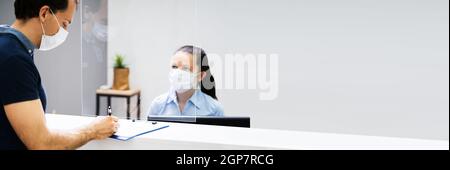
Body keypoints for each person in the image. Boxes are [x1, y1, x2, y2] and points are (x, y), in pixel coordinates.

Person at [0, 0, 118, 150]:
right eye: (65, 24)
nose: (65, 31)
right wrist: (93, 130)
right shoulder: (14, 59)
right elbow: (41, 143)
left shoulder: (6, 43)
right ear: (44, 13)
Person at [147, 45, 224, 116]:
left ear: (200, 75)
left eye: (185, 68)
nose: (178, 73)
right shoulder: (157, 105)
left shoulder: (214, 110)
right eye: (174, 66)